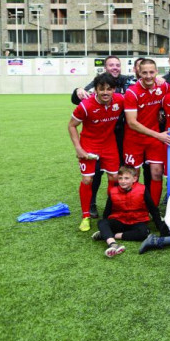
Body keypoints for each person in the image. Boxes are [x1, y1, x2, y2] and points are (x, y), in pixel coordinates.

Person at [68, 73, 125, 231]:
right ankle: (85, 216)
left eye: (109, 89)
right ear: (96, 90)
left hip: (109, 144)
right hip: (89, 144)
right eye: (102, 89)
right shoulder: (86, 106)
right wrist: (78, 148)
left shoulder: (120, 100)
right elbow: (71, 126)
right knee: (87, 180)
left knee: (114, 177)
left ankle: (111, 211)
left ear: (114, 89)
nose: (105, 92)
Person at [124, 58, 170, 206]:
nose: (148, 76)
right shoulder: (132, 92)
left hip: (154, 139)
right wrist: (158, 135)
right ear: (139, 72)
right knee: (133, 176)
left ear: (156, 72)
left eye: (151, 72)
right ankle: (133, 207)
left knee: (157, 173)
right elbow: (132, 123)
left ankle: (152, 209)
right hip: (134, 139)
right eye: (144, 72)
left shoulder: (163, 86)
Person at [91, 166, 165, 258]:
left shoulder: (142, 189)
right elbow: (107, 211)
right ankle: (113, 244)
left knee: (144, 232)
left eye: (126, 178)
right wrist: (105, 225)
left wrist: (160, 227)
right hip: (119, 221)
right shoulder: (113, 191)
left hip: (137, 221)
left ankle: (109, 235)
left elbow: (153, 209)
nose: (123, 181)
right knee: (102, 222)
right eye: (120, 178)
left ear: (134, 178)